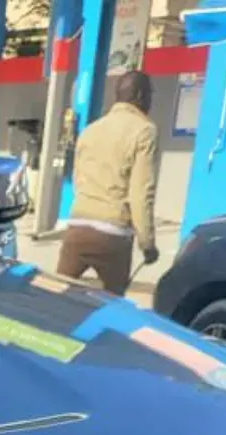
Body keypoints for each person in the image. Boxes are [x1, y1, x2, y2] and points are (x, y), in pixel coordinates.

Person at [58, 71, 159, 296]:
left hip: (78, 227)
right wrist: (147, 243)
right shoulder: (144, 131)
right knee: (114, 303)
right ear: (140, 96)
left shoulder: (90, 130)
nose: (151, 101)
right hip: (113, 234)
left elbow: (79, 179)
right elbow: (141, 193)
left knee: (58, 296)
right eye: (150, 94)